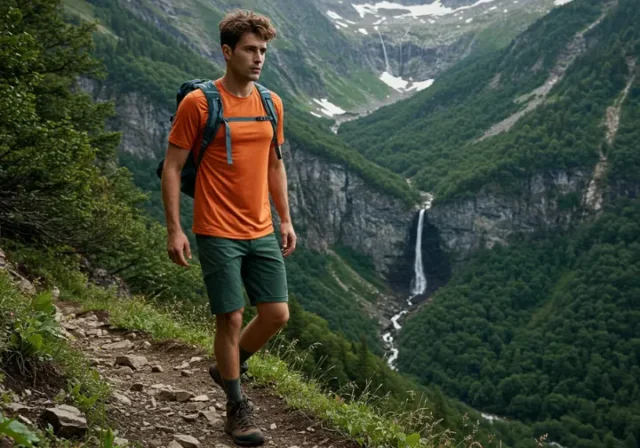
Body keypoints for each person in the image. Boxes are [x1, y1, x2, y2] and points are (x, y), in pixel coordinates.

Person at [160, 9, 296, 447]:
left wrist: (285, 219)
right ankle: (236, 407)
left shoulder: (271, 103)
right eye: (250, 50)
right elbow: (172, 167)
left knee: (276, 314)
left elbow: (276, 165)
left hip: (260, 228)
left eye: (263, 51)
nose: (258, 58)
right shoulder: (199, 104)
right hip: (215, 228)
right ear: (227, 52)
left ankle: (227, 367)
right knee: (231, 316)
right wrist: (174, 230)